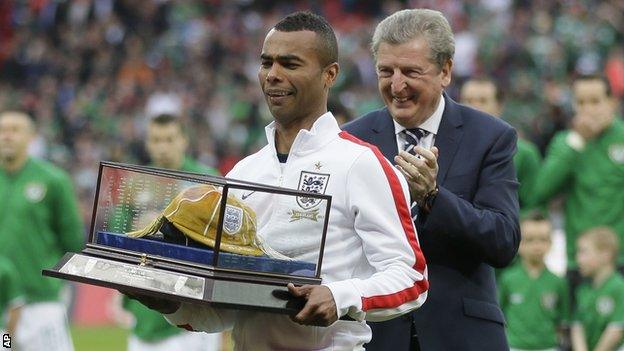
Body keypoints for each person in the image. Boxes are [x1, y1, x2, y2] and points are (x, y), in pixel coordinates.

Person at [129, 11, 428, 350]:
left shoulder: (361, 163)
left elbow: (411, 278)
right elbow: (224, 312)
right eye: (266, 63)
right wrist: (170, 302)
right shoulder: (243, 174)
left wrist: (340, 295)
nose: (273, 75)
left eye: (290, 64)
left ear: (330, 74)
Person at [342, 9, 520, 350]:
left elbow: (503, 241)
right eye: (386, 71)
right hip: (375, 335)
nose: (396, 86)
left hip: (463, 334)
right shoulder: (352, 141)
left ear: (446, 71)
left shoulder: (490, 137)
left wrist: (433, 198)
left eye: (410, 71)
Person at [120, 113, 222, 351]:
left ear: (184, 141)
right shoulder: (136, 182)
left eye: (169, 139)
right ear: (147, 143)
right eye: (156, 140)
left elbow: (221, 243)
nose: (162, 146)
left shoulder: (206, 181)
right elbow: (119, 237)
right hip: (145, 304)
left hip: (193, 307)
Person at [0, 111, 84, 351]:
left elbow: (72, 241)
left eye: (15, 130)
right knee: (6, 348)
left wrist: (50, 282)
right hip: (1, 313)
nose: (7, 136)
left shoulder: (53, 180)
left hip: (40, 307)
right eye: (3, 130)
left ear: (31, 137)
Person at [531, 74, 624, 271]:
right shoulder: (566, 143)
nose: (588, 109)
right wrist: (577, 143)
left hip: (620, 259)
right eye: (581, 102)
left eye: (595, 101)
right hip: (579, 260)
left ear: (612, 103)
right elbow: (540, 191)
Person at [460, 77, 542, 217]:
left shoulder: (525, 153)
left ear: (499, 106)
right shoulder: (446, 147)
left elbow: (533, 205)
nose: (474, 107)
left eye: (482, 101)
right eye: (468, 100)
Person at [498, 212, 569, 350]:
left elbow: (562, 320)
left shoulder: (558, 282)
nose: (537, 246)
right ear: (519, 243)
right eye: (530, 240)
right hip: (515, 347)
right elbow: (501, 314)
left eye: (543, 239)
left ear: (550, 243)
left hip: (548, 347)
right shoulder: (508, 278)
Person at [572, 227, 624, 351]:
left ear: (605, 255)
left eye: (583, 252)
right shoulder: (582, 289)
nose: (578, 259)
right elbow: (577, 326)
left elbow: (616, 329)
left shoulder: (619, 288)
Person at [0, 256, 24, 344]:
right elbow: (16, 309)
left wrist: (6, 344)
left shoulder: (5, 268)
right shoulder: (5, 267)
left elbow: (15, 307)